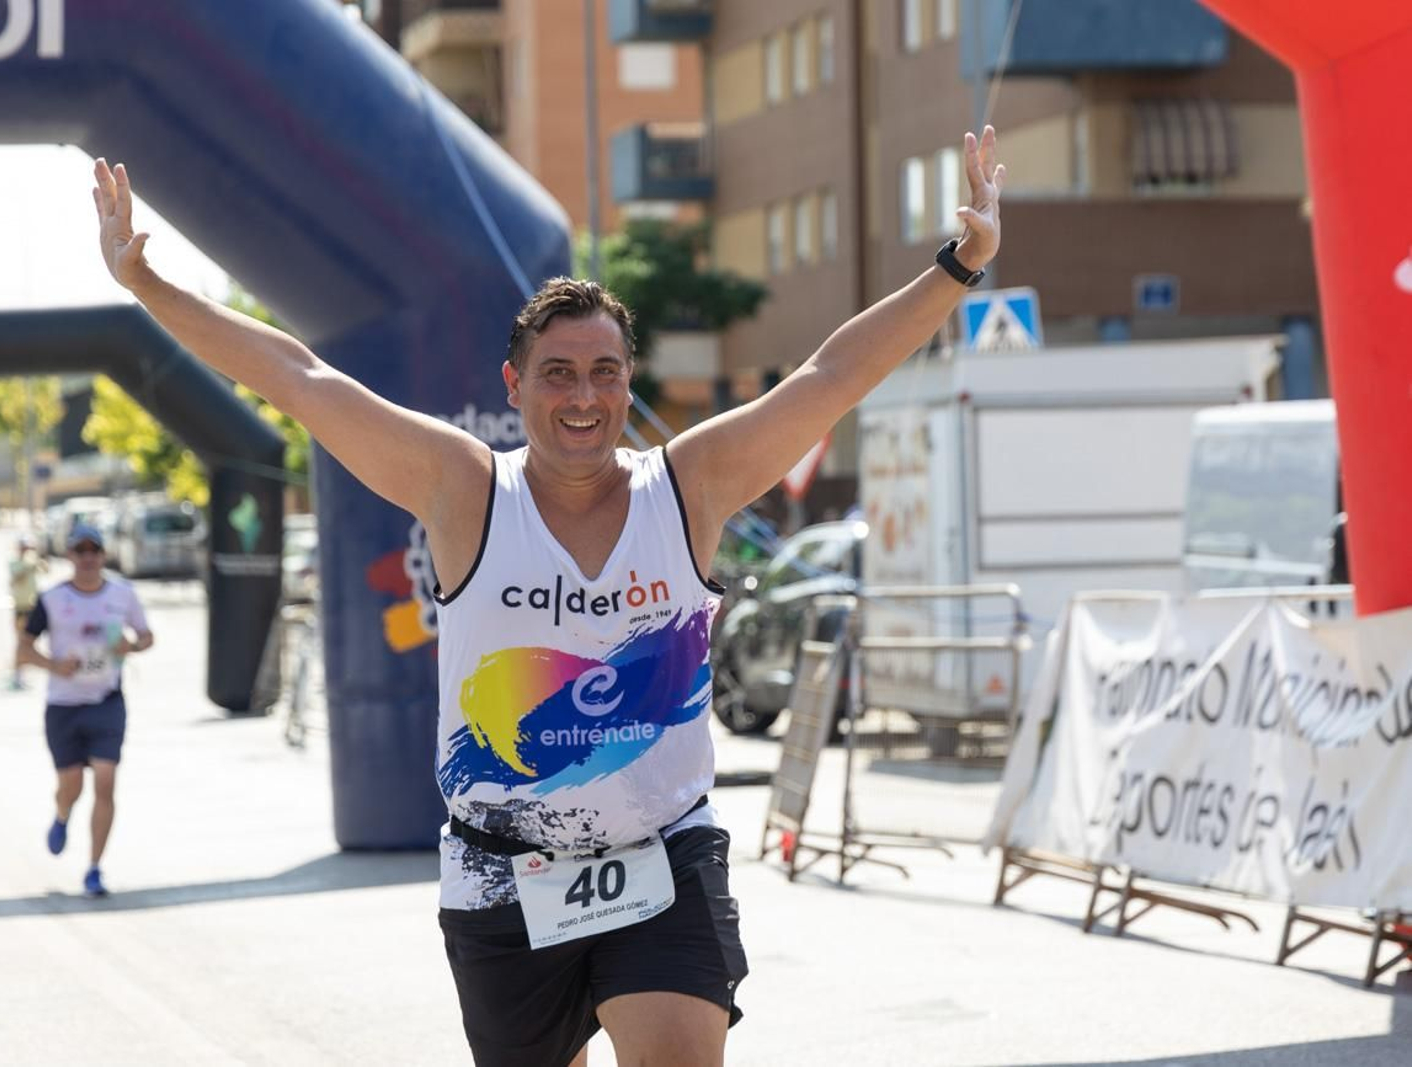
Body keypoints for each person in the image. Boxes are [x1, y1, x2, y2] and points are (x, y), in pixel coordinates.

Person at [89, 125, 1004, 1065]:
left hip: (664, 857)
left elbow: (831, 376)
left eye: (605, 373)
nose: (583, 397)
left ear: (628, 383)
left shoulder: (689, 485)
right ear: (514, 384)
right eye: (558, 373)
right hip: (501, 872)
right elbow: (300, 376)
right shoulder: (463, 487)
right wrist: (147, 283)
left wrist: (959, 265)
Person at [17, 522, 154, 898]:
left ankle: (94, 868)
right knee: (71, 784)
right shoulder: (53, 599)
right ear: (70, 556)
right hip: (63, 705)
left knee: (106, 781)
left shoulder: (123, 594)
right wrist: (53, 665)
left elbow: (147, 636)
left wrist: (132, 646)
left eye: (95, 551)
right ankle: (62, 815)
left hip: (106, 701)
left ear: (104, 555)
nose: (89, 558)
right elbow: (23, 649)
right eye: (81, 551)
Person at [7, 533, 47, 690]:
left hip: (33, 607)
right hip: (21, 607)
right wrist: (28, 566)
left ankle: (24, 673)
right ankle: (18, 675)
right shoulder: (15, 562)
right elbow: (16, 579)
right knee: (21, 641)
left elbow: (46, 569)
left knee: (30, 642)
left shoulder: (32, 561)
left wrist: (39, 559)